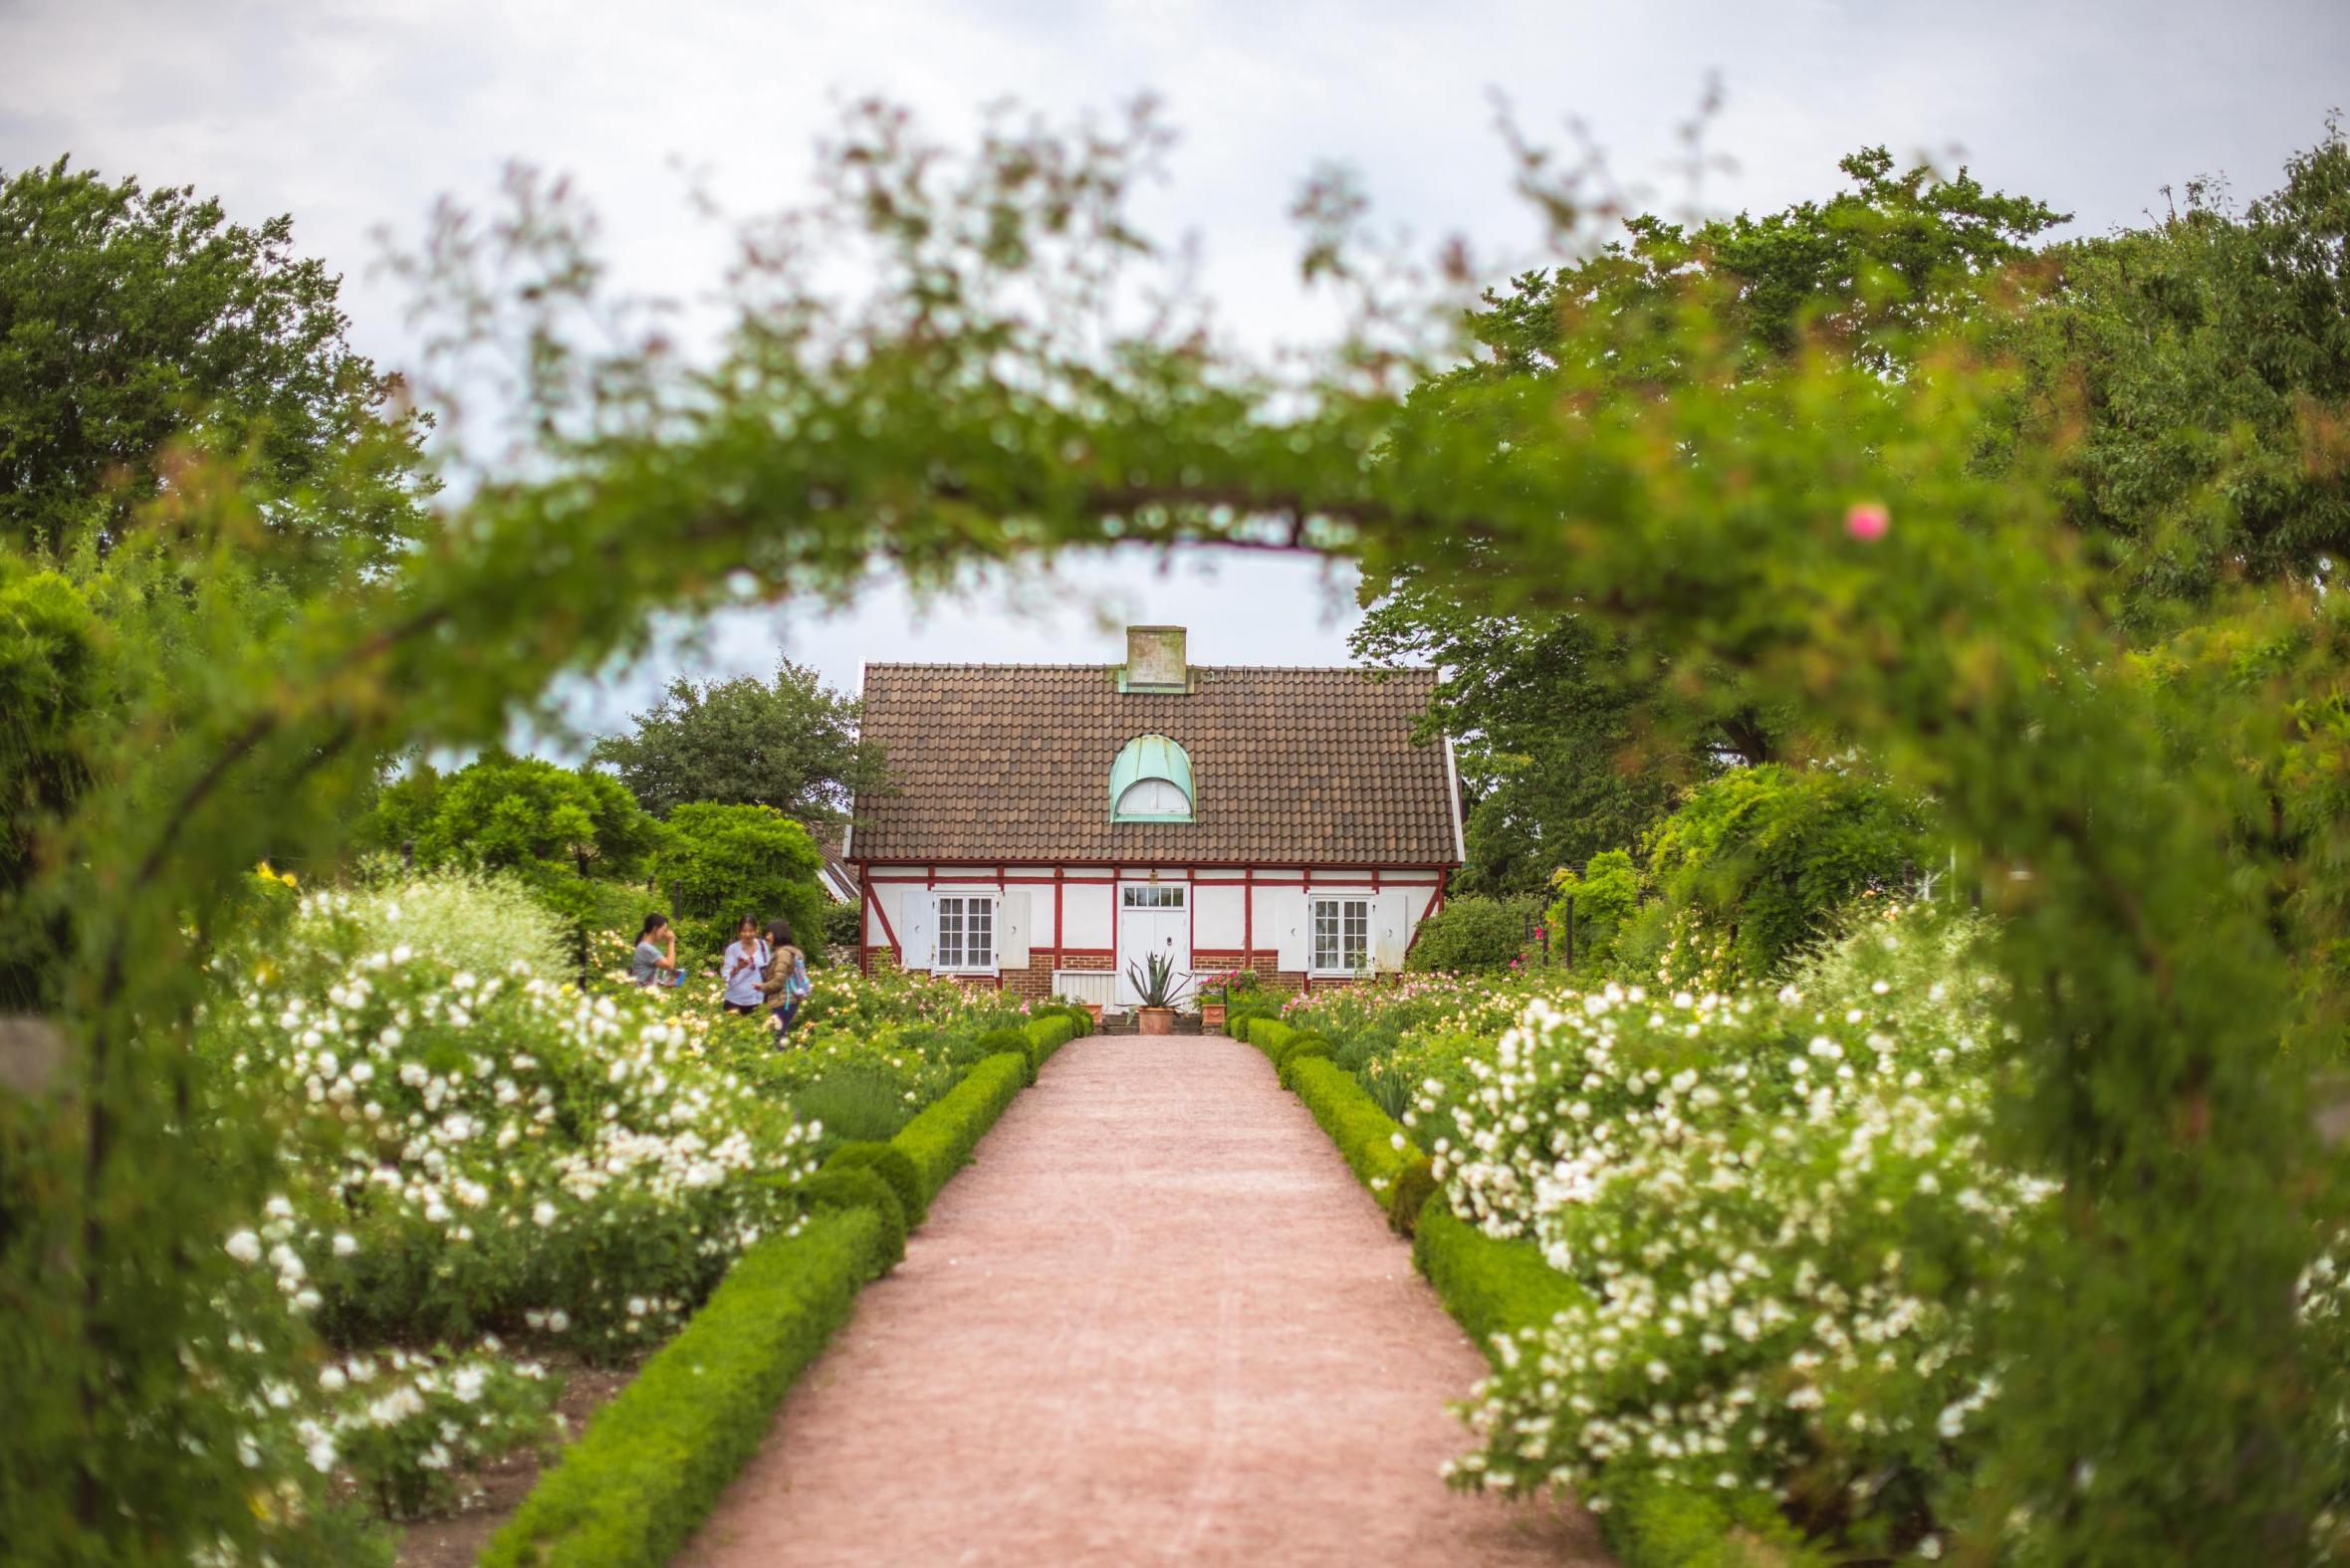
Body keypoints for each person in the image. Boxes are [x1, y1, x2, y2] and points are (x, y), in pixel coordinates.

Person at [760, 916, 812, 1038]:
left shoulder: (783, 953)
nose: (766, 937)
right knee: (780, 1037)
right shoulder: (788, 952)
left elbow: (779, 981)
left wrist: (761, 987)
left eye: (769, 934)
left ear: (777, 934)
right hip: (786, 1001)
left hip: (784, 1001)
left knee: (778, 1039)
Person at [720, 916, 770, 1017]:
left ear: (756, 930)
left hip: (757, 1000)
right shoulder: (733, 949)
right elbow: (725, 977)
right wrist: (738, 968)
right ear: (739, 931)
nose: (747, 935)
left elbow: (769, 968)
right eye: (744, 931)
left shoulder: (763, 946)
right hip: (735, 1001)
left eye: (751, 931)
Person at [631, 914, 678, 987]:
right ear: (655, 929)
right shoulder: (646, 948)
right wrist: (671, 941)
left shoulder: (646, 947)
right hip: (642, 995)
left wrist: (663, 983)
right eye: (664, 930)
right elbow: (669, 966)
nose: (665, 934)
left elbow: (646, 975)